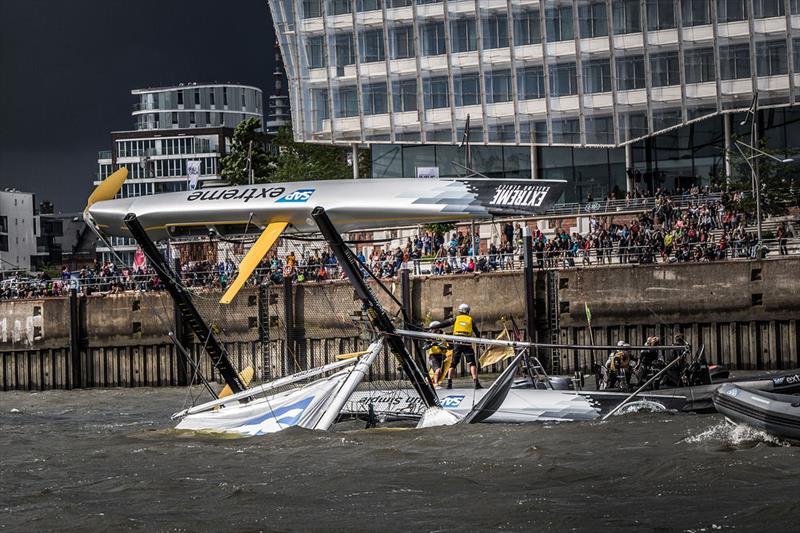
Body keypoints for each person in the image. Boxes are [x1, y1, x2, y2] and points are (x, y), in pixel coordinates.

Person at [439, 303, 482, 389]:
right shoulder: (470, 320)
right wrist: (479, 341)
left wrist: (433, 327)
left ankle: (449, 383)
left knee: (453, 364)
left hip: (457, 343)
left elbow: (445, 324)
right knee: (472, 363)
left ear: (460, 311)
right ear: (468, 311)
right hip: (467, 343)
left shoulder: (456, 319)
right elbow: (477, 332)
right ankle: (476, 383)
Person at [423, 321, 448, 387]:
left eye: (433, 328)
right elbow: (424, 347)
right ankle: (436, 384)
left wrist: (441, 346)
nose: (432, 330)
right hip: (433, 356)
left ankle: (433, 382)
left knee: (440, 372)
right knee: (437, 370)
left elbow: (447, 347)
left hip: (442, 355)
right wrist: (432, 344)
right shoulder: (429, 336)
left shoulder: (443, 335)